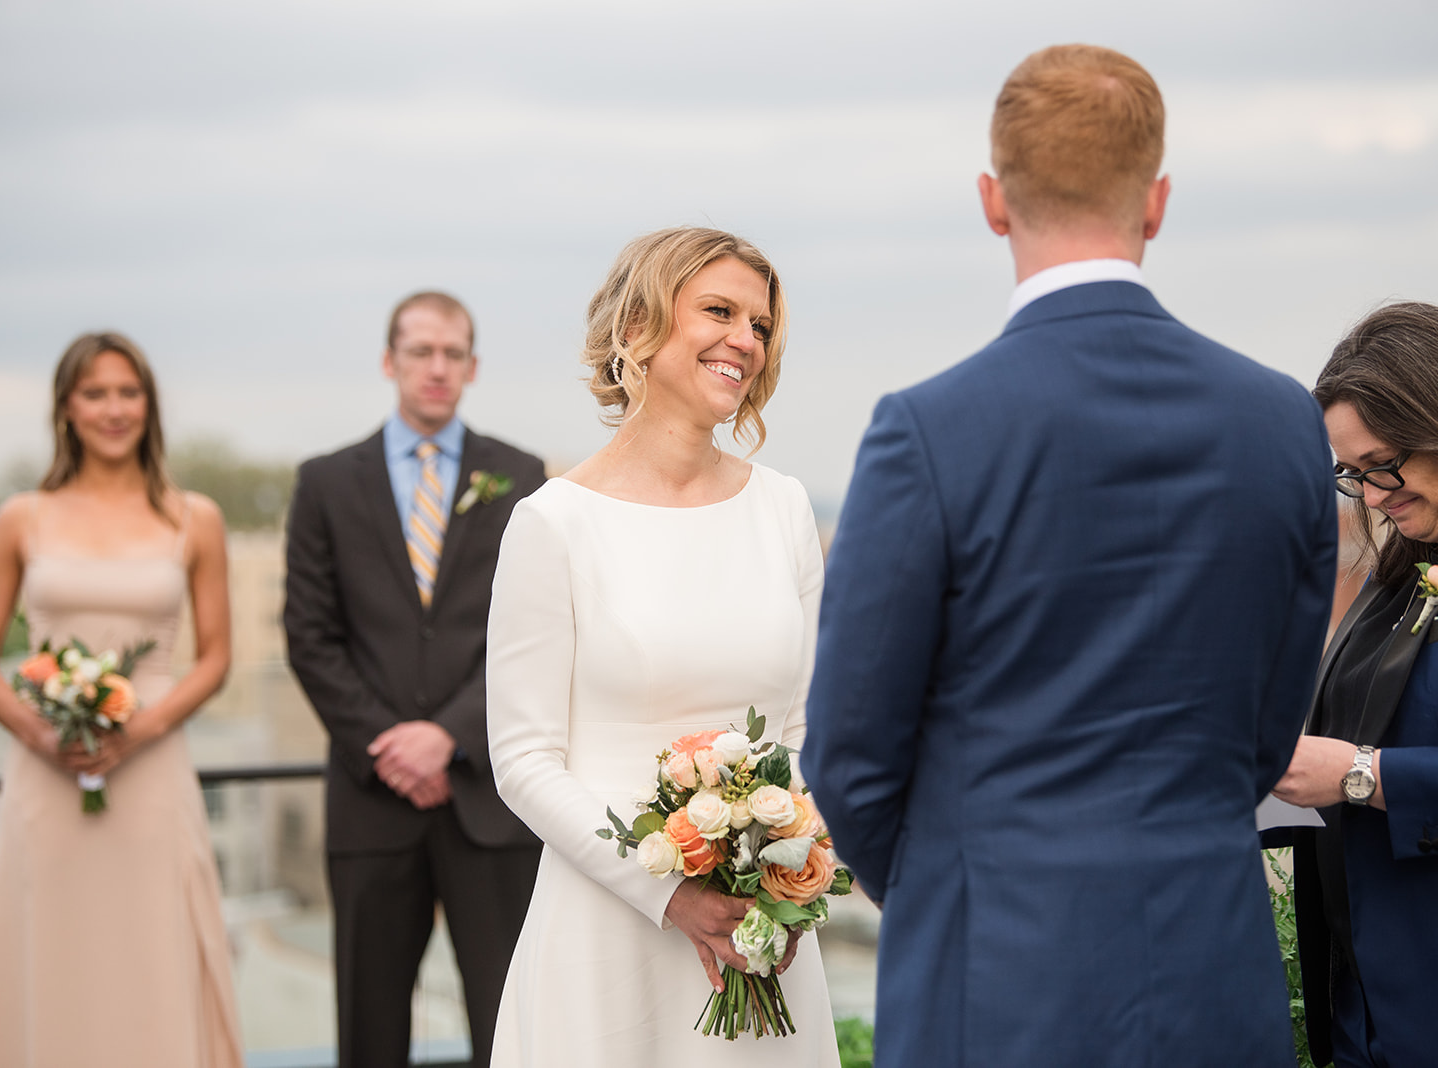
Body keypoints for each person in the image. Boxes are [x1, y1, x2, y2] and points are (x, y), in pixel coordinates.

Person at [801, 44, 1339, 1067]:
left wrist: (941, 881)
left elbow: (849, 751)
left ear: (992, 200)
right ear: (1159, 200)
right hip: (1211, 964)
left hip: (994, 975)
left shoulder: (930, 430)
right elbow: (1266, 731)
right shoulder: (1281, 423)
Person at [484, 226, 839, 1066]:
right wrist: (671, 892)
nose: (744, 341)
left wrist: (780, 879)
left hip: (760, 937)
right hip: (605, 938)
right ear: (638, 327)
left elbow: (800, 731)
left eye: (759, 324)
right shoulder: (553, 523)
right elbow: (524, 759)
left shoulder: (785, 510)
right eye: (718, 311)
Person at [283, 292, 545, 1068]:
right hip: (372, 801)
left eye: (453, 353)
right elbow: (310, 636)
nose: (437, 368)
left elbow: (529, 635)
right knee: (369, 1030)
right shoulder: (326, 482)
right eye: (421, 351)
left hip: (489, 800)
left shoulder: (520, 475)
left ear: (472, 366)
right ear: (389, 361)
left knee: (512, 1024)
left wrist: (450, 737)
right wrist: (388, 747)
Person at [0, 332, 242, 1067]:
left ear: (149, 406)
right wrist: (40, 735)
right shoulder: (22, 517)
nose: (114, 409)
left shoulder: (192, 517)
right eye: (95, 393)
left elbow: (218, 656)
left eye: (127, 393)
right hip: (46, 779)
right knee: (51, 950)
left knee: (150, 947)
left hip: (153, 774)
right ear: (67, 409)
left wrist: (140, 729)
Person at [1272, 302, 1438, 1067]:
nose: (1370, 496)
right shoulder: (1402, 570)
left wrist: (1366, 776)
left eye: (1383, 464)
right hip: (1369, 1011)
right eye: (1351, 474)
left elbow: (1366, 764)